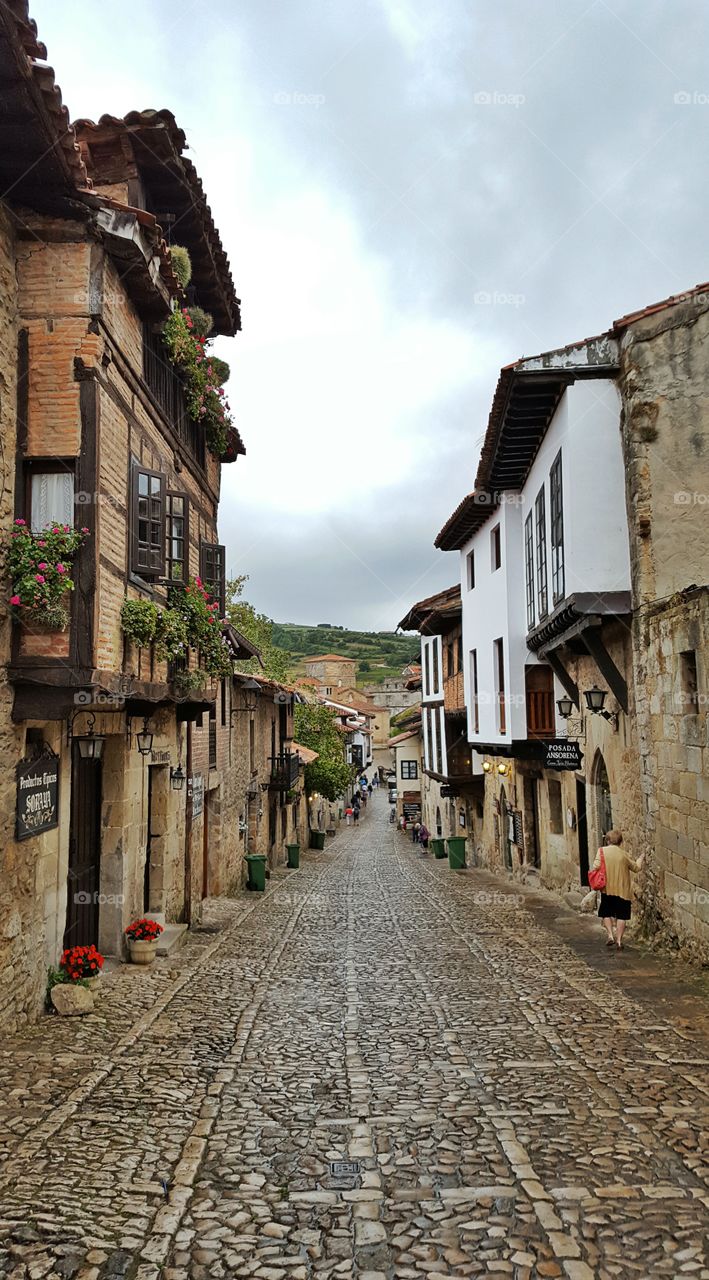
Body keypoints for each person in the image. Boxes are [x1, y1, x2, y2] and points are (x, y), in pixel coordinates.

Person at [591, 830, 645, 950]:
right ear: (620, 842)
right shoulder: (623, 854)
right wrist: (640, 859)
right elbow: (636, 868)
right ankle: (619, 941)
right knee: (622, 915)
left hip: (607, 889)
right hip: (622, 889)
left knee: (606, 912)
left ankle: (610, 935)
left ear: (608, 840)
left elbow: (595, 867)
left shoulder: (601, 851)